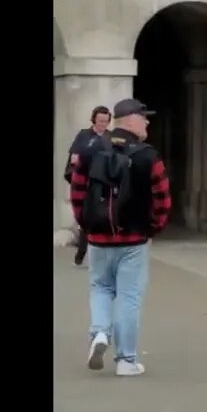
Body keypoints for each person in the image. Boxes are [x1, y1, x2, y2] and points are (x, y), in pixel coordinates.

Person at [68, 98, 171, 377]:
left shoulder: (90, 152)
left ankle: (100, 333)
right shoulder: (148, 156)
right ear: (130, 119)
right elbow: (162, 198)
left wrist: (87, 225)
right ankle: (126, 360)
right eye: (143, 117)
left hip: (99, 238)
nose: (147, 122)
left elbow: (77, 193)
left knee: (100, 287)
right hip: (134, 239)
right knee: (128, 297)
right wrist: (153, 229)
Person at [64, 106, 112, 266]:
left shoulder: (110, 138)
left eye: (106, 121)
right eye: (100, 121)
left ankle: (102, 256)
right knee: (86, 219)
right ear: (94, 120)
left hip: (104, 185)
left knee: (103, 218)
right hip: (85, 184)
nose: (103, 125)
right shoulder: (84, 136)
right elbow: (74, 159)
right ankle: (81, 253)